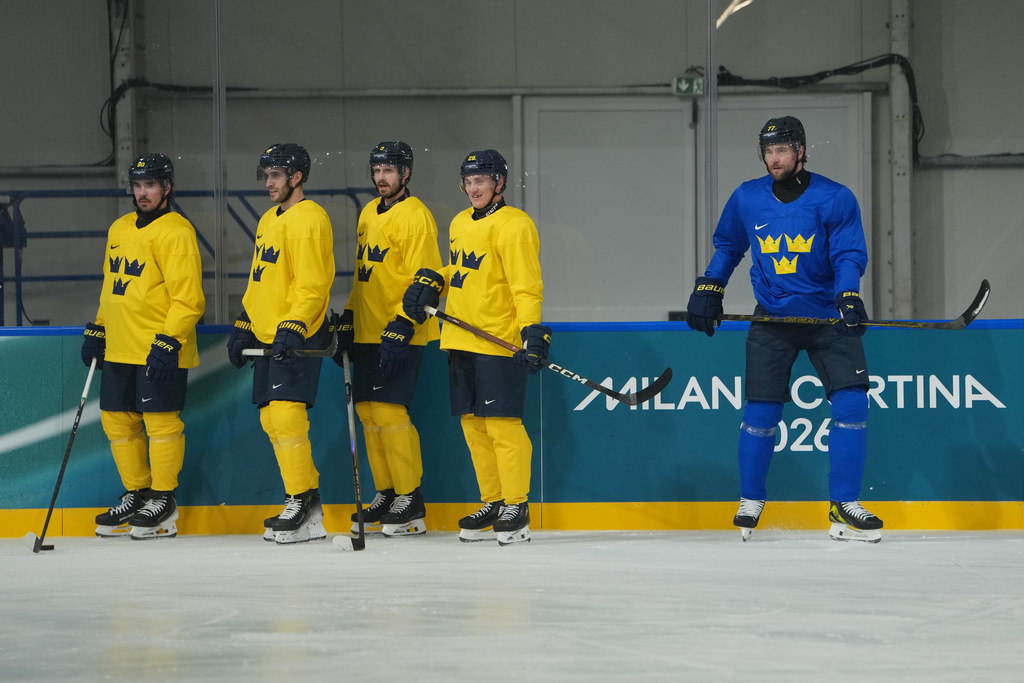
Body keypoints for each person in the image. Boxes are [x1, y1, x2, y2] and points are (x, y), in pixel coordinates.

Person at [686, 116, 882, 543]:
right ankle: (751, 499)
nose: (775, 159)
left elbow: (849, 254)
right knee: (761, 412)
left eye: (783, 150)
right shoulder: (747, 198)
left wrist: (848, 295)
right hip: (773, 318)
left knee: (853, 406)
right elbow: (728, 246)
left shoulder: (835, 197)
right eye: (769, 152)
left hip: (827, 318)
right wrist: (709, 286)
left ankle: (844, 502)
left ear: (801, 151)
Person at [402, 149, 549, 546]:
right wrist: (437, 279)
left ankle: (516, 506)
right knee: (474, 427)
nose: (474, 188)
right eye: (468, 182)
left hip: (497, 339)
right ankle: (495, 501)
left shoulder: (515, 225)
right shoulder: (459, 222)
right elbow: (465, 269)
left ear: (499, 183)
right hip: (459, 338)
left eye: (481, 181)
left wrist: (531, 331)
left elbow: (525, 284)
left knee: (502, 426)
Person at [84, 152, 205, 540]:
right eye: (137, 185)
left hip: (159, 347)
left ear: (167, 187)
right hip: (121, 345)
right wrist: (99, 328)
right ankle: (137, 492)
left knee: (161, 424)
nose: (142, 193)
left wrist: (170, 340)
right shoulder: (118, 229)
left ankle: (163, 499)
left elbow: (189, 298)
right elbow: (111, 287)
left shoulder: (177, 231)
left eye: (150, 185)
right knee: (117, 422)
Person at [226, 143, 335, 545]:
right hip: (269, 333)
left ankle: (303, 501)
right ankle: (304, 501)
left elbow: (312, 282)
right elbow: (261, 281)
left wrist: (293, 324)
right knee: (271, 419)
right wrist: (244, 320)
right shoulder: (269, 219)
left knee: (287, 417)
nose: (269, 183)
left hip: (299, 333)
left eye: (276, 176)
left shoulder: (310, 219)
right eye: (267, 175)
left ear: (297, 177)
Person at [333, 141, 443, 538]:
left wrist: (404, 322)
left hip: (399, 331)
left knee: (391, 413)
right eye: (377, 170)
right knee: (368, 413)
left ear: (406, 174)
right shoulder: (367, 213)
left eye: (389, 171)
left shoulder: (416, 216)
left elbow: (427, 279)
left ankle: (410, 497)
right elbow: (365, 274)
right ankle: (387, 491)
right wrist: (347, 315)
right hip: (366, 329)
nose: (381, 178)